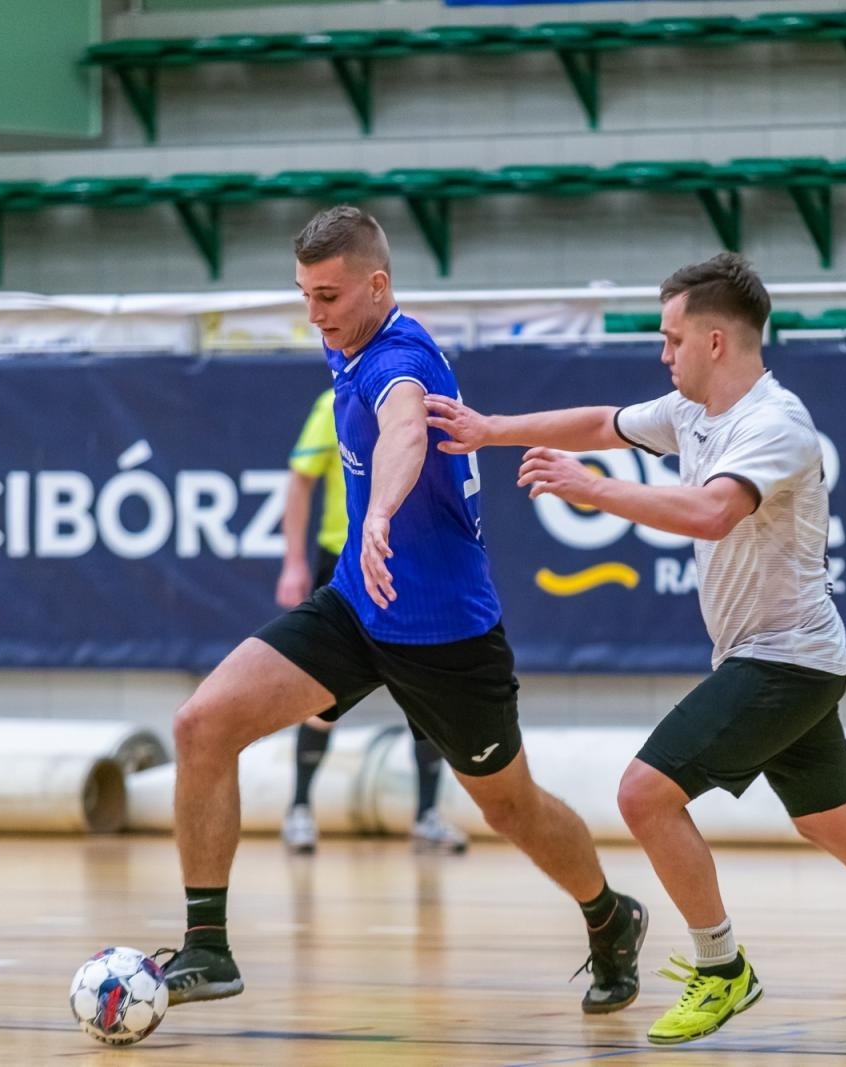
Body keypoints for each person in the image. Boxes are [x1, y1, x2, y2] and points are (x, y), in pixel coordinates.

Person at [426, 252, 846, 1045]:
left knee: (644, 793)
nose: (663, 354)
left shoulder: (776, 424)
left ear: (717, 340)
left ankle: (722, 968)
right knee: (835, 821)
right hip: (780, 656)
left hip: (784, 659)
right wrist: (491, 432)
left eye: (671, 339)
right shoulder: (692, 410)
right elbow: (602, 422)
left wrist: (591, 488)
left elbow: (708, 513)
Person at [161, 205, 647, 1016]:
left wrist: (381, 511)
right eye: (304, 294)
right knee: (200, 725)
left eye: (328, 296)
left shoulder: (403, 357)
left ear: (378, 286)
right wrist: (369, 538)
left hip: (447, 632)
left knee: (508, 806)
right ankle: (208, 946)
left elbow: (403, 432)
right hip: (358, 604)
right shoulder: (341, 338)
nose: (313, 314)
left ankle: (609, 913)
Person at [275, 386, 469, 854]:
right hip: (342, 561)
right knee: (323, 694)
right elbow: (301, 479)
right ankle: (299, 808)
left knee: (430, 692)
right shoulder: (335, 403)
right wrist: (294, 562)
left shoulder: (432, 401)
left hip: (412, 562)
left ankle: (425, 817)